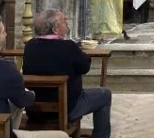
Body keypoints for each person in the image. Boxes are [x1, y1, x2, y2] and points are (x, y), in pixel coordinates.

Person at [23, 10, 112, 138]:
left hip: (35, 110)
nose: (67, 23)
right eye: (64, 20)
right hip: (67, 109)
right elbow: (85, 67)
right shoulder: (68, 46)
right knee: (104, 95)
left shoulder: (30, 46)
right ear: (55, 29)